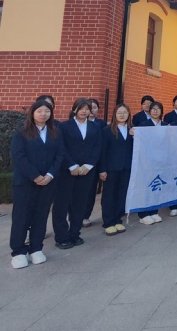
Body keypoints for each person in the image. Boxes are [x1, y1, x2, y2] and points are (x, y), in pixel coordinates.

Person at [9, 99, 66, 269]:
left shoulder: (55, 131)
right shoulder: (21, 131)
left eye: (47, 111)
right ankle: (18, 251)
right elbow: (18, 156)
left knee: (41, 216)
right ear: (32, 113)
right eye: (39, 111)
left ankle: (36, 248)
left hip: (48, 182)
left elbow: (60, 155)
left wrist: (50, 175)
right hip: (25, 182)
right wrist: (34, 176)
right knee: (21, 216)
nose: (43, 114)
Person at [53, 98, 102, 250]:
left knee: (80, 203)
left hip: (86, 171)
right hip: (67, 171)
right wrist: (71, 165)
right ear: (74, 110)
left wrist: (89, 165)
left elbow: (97, 147)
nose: (84, 111)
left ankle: (75, 233)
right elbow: (61, 147)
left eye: (87, 109)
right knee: (62, 204)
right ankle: (61, 237)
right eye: (81, 108)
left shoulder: (94, 127)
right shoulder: (64, 126)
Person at [99, 104, 134, 236]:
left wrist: (136, 136)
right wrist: (102, 169)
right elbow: (102, 152)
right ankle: (108, 222)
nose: (122, 115)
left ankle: (118, 219)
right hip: (111, 168)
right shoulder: (107, 130)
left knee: (122, 194)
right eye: (119, 112)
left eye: (125, 112)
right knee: (109, 195)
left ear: (129, 114)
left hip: (126, 167)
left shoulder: (132, 130)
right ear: (114, 114)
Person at [136, 101, 167, 224]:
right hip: (146, 161)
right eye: (153, 109)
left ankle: (154, 211)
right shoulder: (143, 125)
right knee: (146, 186)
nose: (155, 111)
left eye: (158, 109)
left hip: (160, 160)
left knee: (157, 185)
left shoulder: (166, 126)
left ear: (161, 111)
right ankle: (143, 214)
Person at [82, 98, 107, 228]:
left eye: (94, 108)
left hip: (95, 162)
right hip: (79, 163)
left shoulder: (101, 124)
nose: (92, 111)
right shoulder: (77, 123)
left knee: (91, 190)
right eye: (89, 108)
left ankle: (85, 215)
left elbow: (101, 145)